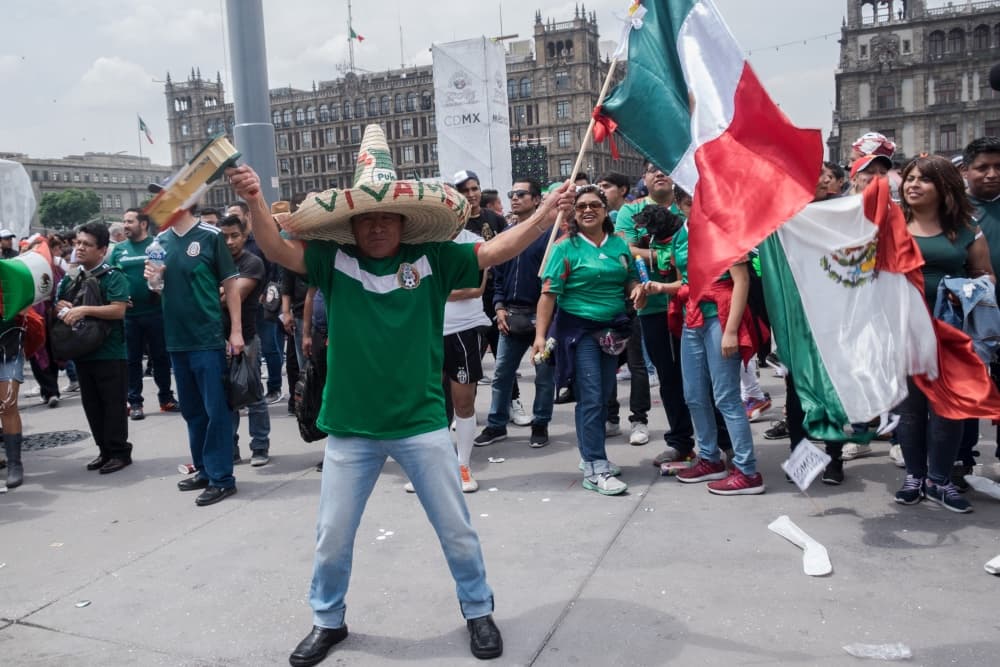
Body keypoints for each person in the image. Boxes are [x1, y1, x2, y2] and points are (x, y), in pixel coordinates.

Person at [228, 124, 571, 665]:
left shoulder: (436, 259)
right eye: (369, 218)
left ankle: (478, 610)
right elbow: (276, 248)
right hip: (350, 428)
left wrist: (545, 213)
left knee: (455, 528)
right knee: (332, 536)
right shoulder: (331, 262)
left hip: (421, 423)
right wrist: (252, 200)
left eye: (389, 216)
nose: (379, 226)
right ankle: (327, 620)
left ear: (405, 222)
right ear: (354, 225)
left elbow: (497, 250)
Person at [895, 154, 994, 513]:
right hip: (904, 332)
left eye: (923, 179)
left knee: (949, 410)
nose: (912, 184)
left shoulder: (967, 230)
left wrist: (966, 289)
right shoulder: (891, 225)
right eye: (909, 178)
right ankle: (914, 477)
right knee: (910, 411)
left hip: (951, 335)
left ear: (944, 187)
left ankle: (940, 480)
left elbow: (985, 276)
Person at [640, 220, 765, 495]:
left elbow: (741, 280)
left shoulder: (723, 227)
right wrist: (661, 288)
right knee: (694, 395)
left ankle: (747, 471)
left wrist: (731, 330)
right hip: (692, 319)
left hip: (719, 319)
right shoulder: (681, 233)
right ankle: (709, 458)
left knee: (726, 398)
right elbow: (687, 281)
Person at [144, 184, 244, 507]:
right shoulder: (160, 243)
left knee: (216, 409)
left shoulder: (210, 236)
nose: (160, 203)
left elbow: (230, 285)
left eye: (166, 197)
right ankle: (203, 468)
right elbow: (159, 289)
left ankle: (222, 478)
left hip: (206, 338)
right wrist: (154, 279)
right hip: (176, 339)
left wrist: (236, 332)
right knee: (192, 410)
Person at [535, 185, 637, 495]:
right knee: (592, 396)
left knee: (602, 395)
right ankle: (595, 466)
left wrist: (636, 288)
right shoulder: (565, 247)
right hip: (579, 334)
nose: (587, 210)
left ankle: (589, 457)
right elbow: (548, 294)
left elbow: (629, 275)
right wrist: (539, 337)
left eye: (594, 205)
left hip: (614, 332)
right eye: (581, 207)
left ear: (606, 210)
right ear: (573, 214)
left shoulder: (619, 245)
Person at [474, 179, 555, 448]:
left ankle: (540, 423)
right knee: (501, 375)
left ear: (536, 200)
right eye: (512, 194)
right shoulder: (505, 237)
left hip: (542, 318)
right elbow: (497, 276)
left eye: (521, 194)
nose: (515, 198)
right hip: (510, 316)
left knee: (543, 377)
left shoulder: (550, 236)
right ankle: (497, 425)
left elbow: (553, 283)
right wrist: (498, 308)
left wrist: (546, 325)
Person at [56, 223, 132, 474]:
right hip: (83, 350)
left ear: (102, 250)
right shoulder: (73, 276)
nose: (79, 248)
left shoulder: (113, 275)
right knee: (92, 405)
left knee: (113, 405)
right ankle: (104, 450)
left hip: (110, 351)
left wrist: (84, 310)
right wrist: (63, 306)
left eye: (87, 244)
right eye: (78, 243)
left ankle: (119, 452)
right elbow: (60, 304)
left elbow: (118, 309)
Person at [111, 209, 179, 420]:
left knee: (160, 358)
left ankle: (166, 398)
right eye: (124, 221)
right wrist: (118, 297)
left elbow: (168, 273)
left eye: (130, 221)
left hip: (156, 312)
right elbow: (113, 277)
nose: (125, 225)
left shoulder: (157, 246)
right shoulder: (119, 250)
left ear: (143, 224)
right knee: (132, 360)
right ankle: (135, 402)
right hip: (129, 316)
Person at [961, 137, 1000, 480]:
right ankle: (963, 459)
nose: (991, 174)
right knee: (968, 389)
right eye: (982, 167)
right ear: (966, 170)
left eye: (998, 167)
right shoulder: (953, 211)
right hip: (968, 320)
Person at [219, 214, 271, 466]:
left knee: (253, 394)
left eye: (234, 235)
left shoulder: (252, 262)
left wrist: (219, 290)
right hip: (217, 339)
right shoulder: (215, 262)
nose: (229, 241)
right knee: (225, 397)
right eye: (224, 236)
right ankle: (231, 448)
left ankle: (260, 446)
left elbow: (231, 296)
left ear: (244, 235)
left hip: (246, 337)